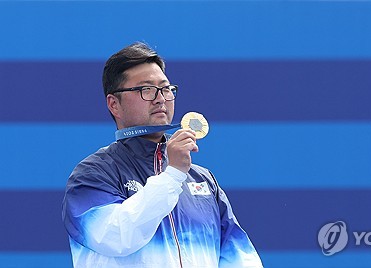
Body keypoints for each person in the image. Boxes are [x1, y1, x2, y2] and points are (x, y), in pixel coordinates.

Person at [62, 42, 263, 268]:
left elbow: (240, 259)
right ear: (114, 104)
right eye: (145, 90)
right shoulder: (92, 175)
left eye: (166, 89)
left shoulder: (203, 181)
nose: (160, 98)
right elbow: (114, 238)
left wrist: (176, 174)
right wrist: (173, 175)